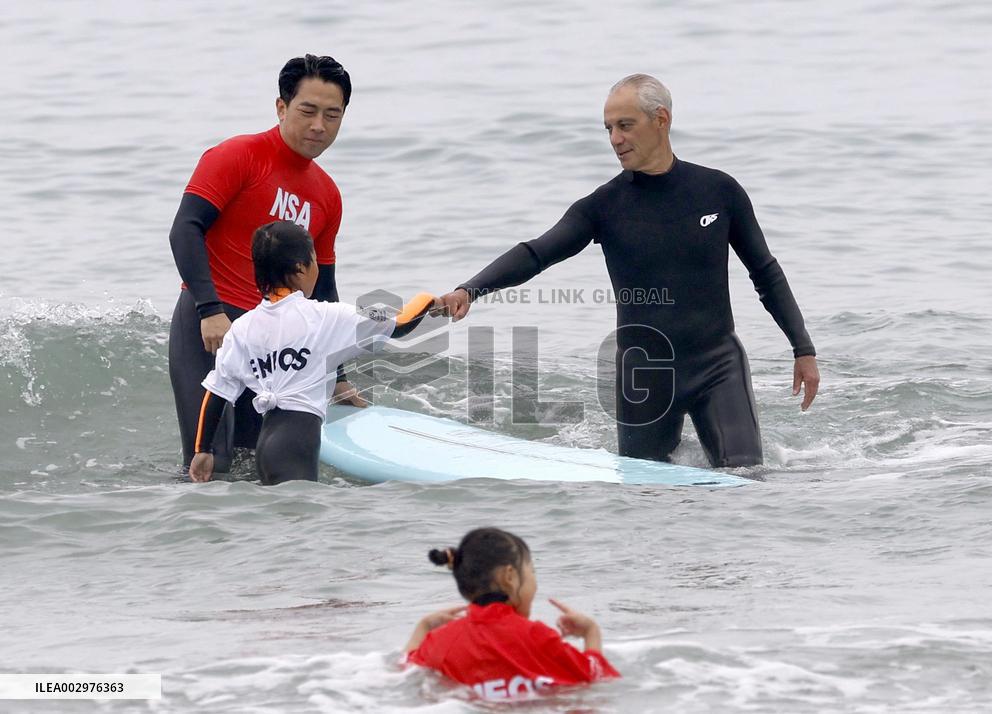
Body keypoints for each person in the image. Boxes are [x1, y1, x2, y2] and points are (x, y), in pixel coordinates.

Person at [439, 74, 820, 468]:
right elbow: (537, 253)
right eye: (608, 128)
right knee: (644, 490)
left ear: (661, 119)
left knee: (746, 478)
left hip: (717, 366)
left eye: (625, 125)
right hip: (644, 378)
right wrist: (470, 290)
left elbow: (765, 272)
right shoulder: (603, 207)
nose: (615, 139)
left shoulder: (719, 191)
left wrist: (803, 349)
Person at [169, 53, 364, 475]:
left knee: (254, 464)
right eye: (307, 111)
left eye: (332, 115)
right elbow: (184, 229)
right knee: (210, 461)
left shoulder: (327, 195)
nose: (319, 125)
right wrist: (209, 309)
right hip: (212, 324)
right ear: (281, 107)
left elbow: (324, 289)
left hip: (275, 339)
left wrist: (338, 375)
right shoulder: (237, 156)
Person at [189, 221, 438, 485]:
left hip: (266, 445)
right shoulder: (324, 316)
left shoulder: (243, 327)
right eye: (315, 260)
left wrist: (203, 450)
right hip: (295, 445)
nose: (318, 268)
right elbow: (400, 324)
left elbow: (216, 393)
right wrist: (429, 299)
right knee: (302, 511)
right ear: (300, 269)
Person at [405, 527, 619, 700]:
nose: (534, 582)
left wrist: (424, 627)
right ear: (509, 577)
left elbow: (404, 673)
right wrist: (591, 633)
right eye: (532, 571)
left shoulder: (440, 643)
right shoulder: (538, 637)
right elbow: (595, 676)